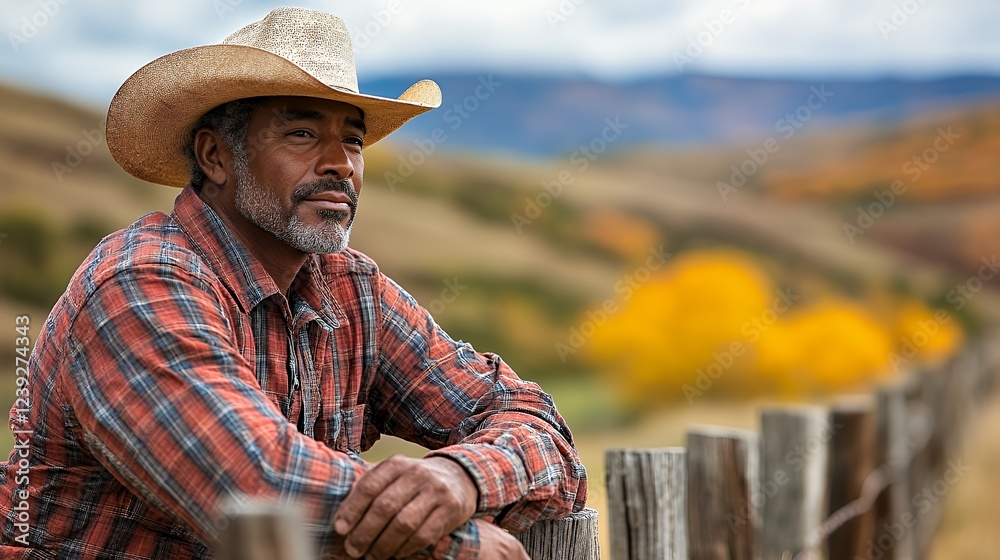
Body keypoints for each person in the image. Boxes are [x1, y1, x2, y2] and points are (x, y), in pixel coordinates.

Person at [0, 7, 587, 559]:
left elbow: (533, 419)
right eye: (303, 134)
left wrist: (459, 476)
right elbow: (255, 483)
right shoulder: (137, 285)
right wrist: (458, 543)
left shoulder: (351, 290)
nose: (341, 163)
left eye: (353, 139)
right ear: (215, 158)